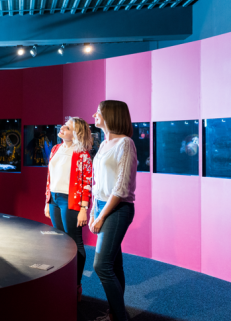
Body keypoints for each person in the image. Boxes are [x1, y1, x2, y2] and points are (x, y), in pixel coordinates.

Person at [90, 100, 136, 321]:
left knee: (101, 265)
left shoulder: (125, 143)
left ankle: (121, 317)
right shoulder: (103, 144)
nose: (94, 114)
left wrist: (101, 216)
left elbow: (121, 187)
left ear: (110, 116)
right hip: (102, 206)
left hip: (117, 209)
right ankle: (114, 315)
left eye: (98, 112)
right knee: (114, 264)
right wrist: (92, 212)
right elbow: (97, 183)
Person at [44, 117, 93, 302]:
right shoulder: (56, 149)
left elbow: (87, 183)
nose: (62, 128)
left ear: (76, 134)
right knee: (59, 241)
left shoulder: (83, 155)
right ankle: (62, 280)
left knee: (74, 241)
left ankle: (76, 284)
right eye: (64, 125)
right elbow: (50, 176)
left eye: (68, 127)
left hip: (71, 201)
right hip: (55, 199)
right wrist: (47, 201)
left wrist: (83, 208)